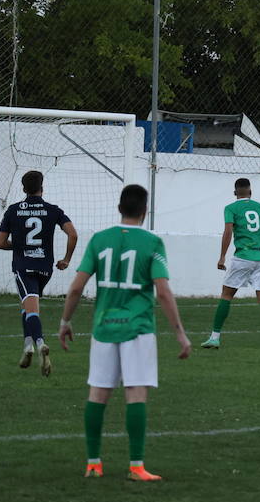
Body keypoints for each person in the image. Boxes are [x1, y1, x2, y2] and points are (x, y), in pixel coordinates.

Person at [59, 183, 191, 482]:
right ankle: (136, 466)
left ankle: (93, 463)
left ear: (119, 208)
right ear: (145, 211)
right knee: (135, 392)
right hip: (138, 328)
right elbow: (164, 293)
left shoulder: (99, 240)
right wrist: (180, 333)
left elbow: (77, 287)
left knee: (98, 393)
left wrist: (65, 322)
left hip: (103, 327)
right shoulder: (152, 243)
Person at [0, 170, 78, 375]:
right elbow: (73, 234)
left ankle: (40, 343)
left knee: (31, 308)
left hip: (24, 267)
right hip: (45, 268)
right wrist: (66, 259)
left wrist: (19, 246)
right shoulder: (53, 210)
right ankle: (27, 346)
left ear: (23, 189)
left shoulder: (13, 211)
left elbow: (1, 243)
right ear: (42, 187)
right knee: (28, 305)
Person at [201, 178, 260, 350]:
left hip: (243, 257)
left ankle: (214, 338)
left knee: (227, 295)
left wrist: (222, 257)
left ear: (235, 193)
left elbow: (228, 232)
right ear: (251, 192)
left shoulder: (230, 208)